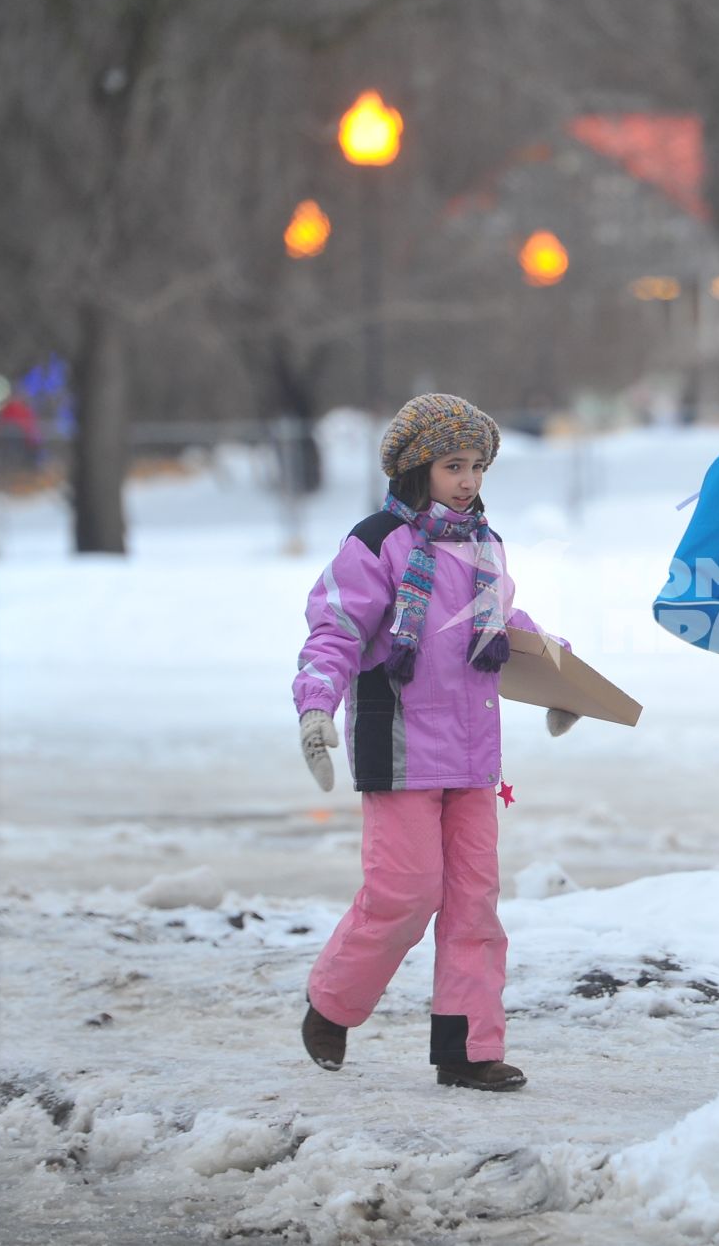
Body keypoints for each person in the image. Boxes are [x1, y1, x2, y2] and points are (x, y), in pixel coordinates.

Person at [291, 393, 573, 1092]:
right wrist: (316, 704)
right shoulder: (378, 541)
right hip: (403, 749)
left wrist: (563, 674)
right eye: (454, 465)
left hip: (474, 759)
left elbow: (507, 624)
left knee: (475, 903)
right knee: (405, 892)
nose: (469, 480)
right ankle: (332, 1002)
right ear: (419, 467)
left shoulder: (485, 544)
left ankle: (467, 1046)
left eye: (478, 466)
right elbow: (334, 629)